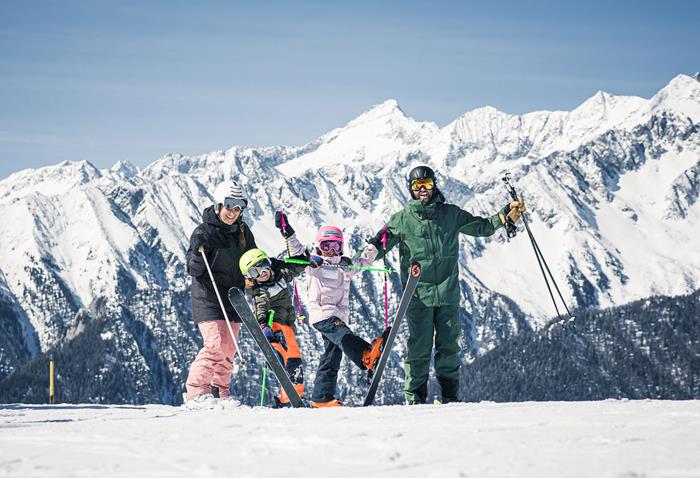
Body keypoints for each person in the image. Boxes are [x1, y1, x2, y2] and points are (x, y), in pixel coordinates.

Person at [368, 165, 525, 405]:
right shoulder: (401, 221)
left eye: (427, 185)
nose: (422, 190)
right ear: (410, 189)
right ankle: (415, 399)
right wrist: (357, 258)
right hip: (418, 297)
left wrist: (505, 216)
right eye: (417, 186)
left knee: (449, 348)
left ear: (434, 185)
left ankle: (450, 398)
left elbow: (481, 226)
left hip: (447, 294)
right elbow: (379, 245)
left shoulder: (450, 214)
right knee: (419, 350)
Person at [296, 221, 388, 408]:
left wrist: (376, 243)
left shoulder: (345, 266)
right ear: (318, 247)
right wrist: (287, 231)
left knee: (332, 355)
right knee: (344, 335)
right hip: (322, 316)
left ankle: (321, 398)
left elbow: (364, 261)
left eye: (335, 245)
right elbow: (297, 253)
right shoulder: (313, 265)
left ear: (341, 246)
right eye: (325, 245)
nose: (330, 250)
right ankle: (365, 355)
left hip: (338, 316)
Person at [183, 180, 256, 409]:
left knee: (228, 350)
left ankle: (219, 393)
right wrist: (197, 250)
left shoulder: (243, 232)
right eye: (229, 205)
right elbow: (194, 270)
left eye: (239, 207)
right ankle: (196, 393)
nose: (233, 212)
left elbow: (253, 260)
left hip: (234, 299)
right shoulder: (204, 232)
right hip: (209, 298)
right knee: (216, 345)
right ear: (218, 203)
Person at [238, 222, 308, 407]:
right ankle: (275, 352)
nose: (262, 274)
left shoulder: (281, 275)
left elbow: (297, 267)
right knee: (282, 347)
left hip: (288, 326)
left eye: (263, 267)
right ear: (250, 277)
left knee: (295, 363)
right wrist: (262, 324)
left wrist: (309, 261)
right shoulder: (261, 291)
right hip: (274, 324)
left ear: (269, 264)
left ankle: (290, 399)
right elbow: (260, 306)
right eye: (255, 272)